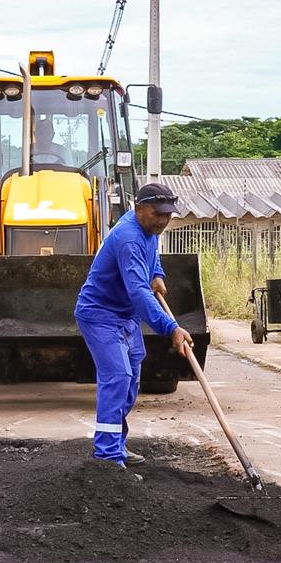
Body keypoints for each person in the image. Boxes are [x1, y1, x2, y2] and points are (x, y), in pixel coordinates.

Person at [74, 182, 193, 469]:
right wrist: (171, 327)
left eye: (167, 215)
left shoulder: (150, 230)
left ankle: (117, 445)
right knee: (116, 378)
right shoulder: (128, 237)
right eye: (157, 214)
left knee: (130, 382)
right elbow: (138, 292)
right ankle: (108, 457)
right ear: (139, 209)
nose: (163, 221)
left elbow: (151, 256)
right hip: (100, 314)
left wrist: (157, 272)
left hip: (125, 316)